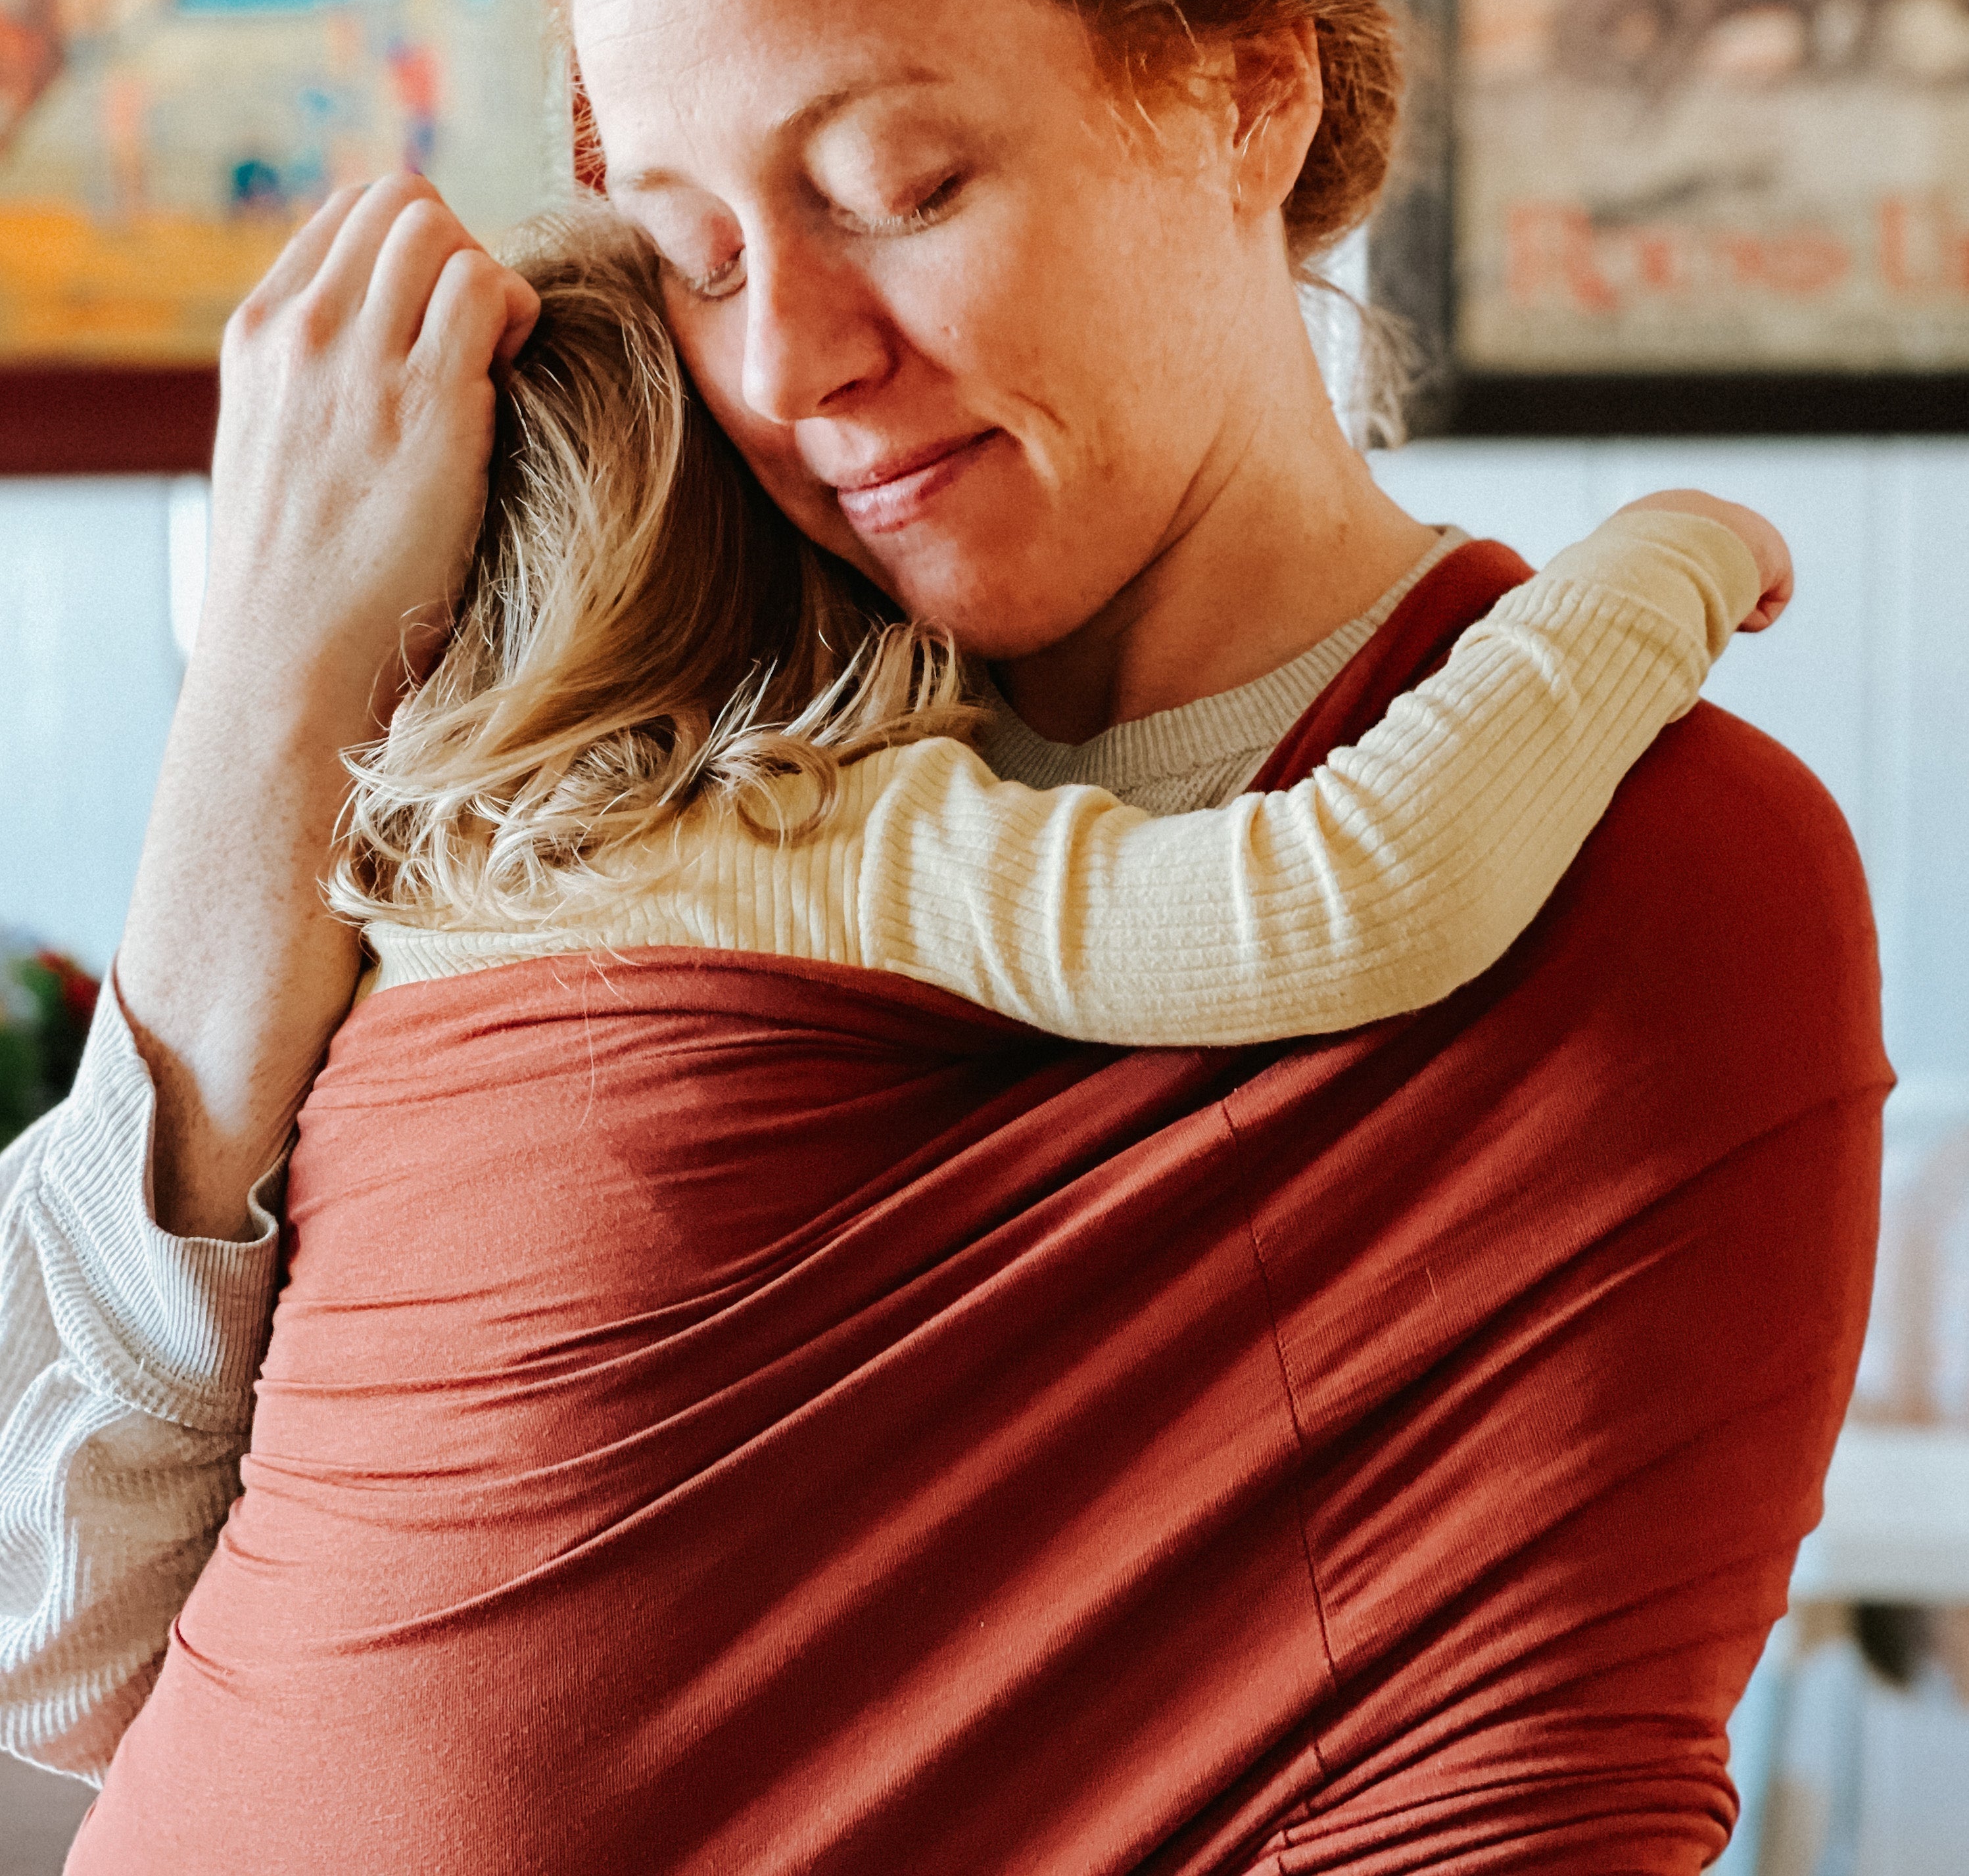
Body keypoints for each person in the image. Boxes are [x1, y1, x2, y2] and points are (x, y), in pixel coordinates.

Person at [1, 0, 1884, 1869]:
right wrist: (268, 692)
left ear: (1247, 95)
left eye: (899, 188)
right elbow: (50, 1627)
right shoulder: (616, 731)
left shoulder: (1633, 864)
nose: (790, 363)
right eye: (690, 249)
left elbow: (1492, 1799)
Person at [51, 200, 1774, 1869]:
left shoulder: (397, 906)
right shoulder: (796, 835)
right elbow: (1350, 894)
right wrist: (1665, 558)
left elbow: (55, 1632)